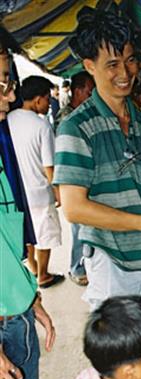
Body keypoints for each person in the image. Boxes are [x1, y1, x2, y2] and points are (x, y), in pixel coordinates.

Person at [0, 45, 76, 379]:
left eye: (7, 79)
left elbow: (7, 236)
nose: (7, 93)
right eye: (0, 83)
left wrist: (29, 294)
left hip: (16, 315)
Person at [54, 6, 141, 311]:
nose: (125, 74)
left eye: (131, 60)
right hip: (111, 263)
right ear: (89, 66)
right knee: (121, 355)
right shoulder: (77, 127)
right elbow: (73, 208)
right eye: (112, 64)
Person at [8, 75, 64, 289]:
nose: (49, 103)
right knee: (45, 236)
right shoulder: (42, 126)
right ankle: (43, 275)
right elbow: (48, 166)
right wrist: (57, 191)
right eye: (47, 98)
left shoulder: (8, 119)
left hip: (17, 192)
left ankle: (32, 269)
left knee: (28, 235)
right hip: (40, 192)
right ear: (38, 99)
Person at [54, 70, 95, 287]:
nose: (91, 97)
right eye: (89, 92)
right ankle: (76, 267)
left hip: (84, 176)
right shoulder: (67, 118)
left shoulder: (82, 114)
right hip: (72, 178)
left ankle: (83, 264)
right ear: (78, 91)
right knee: (78, 225)